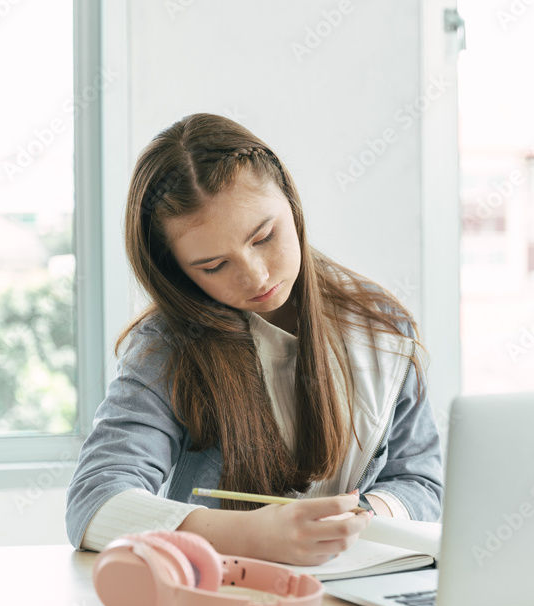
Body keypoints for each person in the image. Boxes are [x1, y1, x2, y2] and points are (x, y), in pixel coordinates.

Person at [65, 113, 443, 566]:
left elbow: (420, 484)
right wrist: (248, 535)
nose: (256, 275)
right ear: (177, 272)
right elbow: (95, 503)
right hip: (221, 603)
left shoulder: (381, 327)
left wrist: (359, 520)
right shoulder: (168, 347)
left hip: (358, 594)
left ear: (290, 198)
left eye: (264, 237)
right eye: (212, 266)